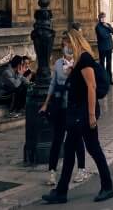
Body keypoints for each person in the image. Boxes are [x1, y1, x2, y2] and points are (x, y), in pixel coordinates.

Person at [42, 28, 113, 204]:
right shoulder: (78, 61)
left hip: (83, 112)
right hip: (76, 111)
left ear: (73, 42)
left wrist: (91, 115)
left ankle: (107, 187)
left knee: (93, 149)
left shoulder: (85, 59)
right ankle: (61, 192)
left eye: (66, 43)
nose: (64, 47)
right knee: (69, 150)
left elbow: (91, 87)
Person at [41, 35, 88, 188]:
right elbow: (53, 84)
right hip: (60, 106)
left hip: (73, 107)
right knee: (57, 139)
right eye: (64, 45)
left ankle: (81, 169)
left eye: (69, 44)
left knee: (77, 139)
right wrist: (45, 104)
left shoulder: (79, 63)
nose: (66, 47)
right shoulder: (58, 63)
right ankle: (52, 172)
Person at [95, 12, 113, 85]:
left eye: (104, 17)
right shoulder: (98, 27)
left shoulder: (108, 25)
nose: (103, 18)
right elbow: (102, 35)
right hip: (102, 48)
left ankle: (109, 80)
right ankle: (102, 80)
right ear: (99, 18)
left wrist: (108, 27)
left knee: (109, 64)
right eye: (102, 17)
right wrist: (109, 34)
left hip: (109, 47)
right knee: (102, 64)